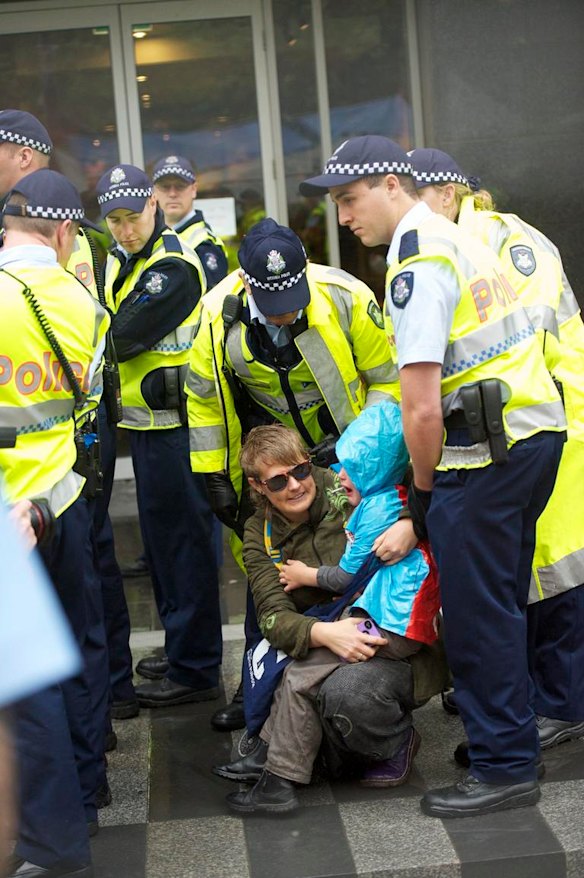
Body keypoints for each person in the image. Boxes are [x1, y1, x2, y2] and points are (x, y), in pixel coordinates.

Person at [300, 135, 566, 818]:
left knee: (477, 619)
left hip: (482, 459)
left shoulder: (416, 257)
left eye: (349, 199)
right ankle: (505, 745)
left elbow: (419, 403)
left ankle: (505, 765)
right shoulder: (458, 234)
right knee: (500, 606)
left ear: (393, 183)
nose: (344, 216)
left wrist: (421, 493)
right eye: (336, 205)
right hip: (529, 441)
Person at [185, 217, 399, 731]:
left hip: (347, 454)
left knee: (361, 552)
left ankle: (381, 661)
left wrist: (359, 452)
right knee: (266, 568)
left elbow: (388, 382)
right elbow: (205, 398)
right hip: (273, 460)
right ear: (247, 285)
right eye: (275, 307)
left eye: (295, 301)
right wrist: (215, 474)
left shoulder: (345, 296)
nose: (287, 314)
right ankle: (256, 681)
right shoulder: (216, 317)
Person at [408, 146, 584, 752]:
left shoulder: (489, 244)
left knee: (554, 573)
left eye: (417, 195)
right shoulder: (480, 238)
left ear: (449, 194)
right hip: (534, 417)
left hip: (538, 419)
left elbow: (516, 336)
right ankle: (521, 695)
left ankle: (558, 705)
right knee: (526, 573)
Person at [213, 421, 446, 814]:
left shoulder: (347, 482)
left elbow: (418, 478)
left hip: (400, 634)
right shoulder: (259, 532)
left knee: (343, 693)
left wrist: (412, 522)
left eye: (301, 470)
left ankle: (390, 744)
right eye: (277, 481)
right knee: (307, 676)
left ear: (309, 462)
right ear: (256, 487)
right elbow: (272, 617)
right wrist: (325, 632)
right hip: (348, 630)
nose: (295, 485)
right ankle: (287, 770)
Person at [0, 108, 137, 728]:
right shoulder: (60, 254)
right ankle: (92, 745)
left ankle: (94, 722)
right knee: (77, 611)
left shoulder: (59, 237)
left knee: (63, 617)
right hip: (62, 468)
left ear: (24, 156)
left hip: (48, 470)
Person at [0, 168, 111, 875]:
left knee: (25, 678)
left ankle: (53, 843)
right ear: (65, 232)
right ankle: (87, 787)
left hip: (11, 512)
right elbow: (87, 408)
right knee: (80, 647)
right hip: (64, 498)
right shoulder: (85, 303)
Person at [96, 163, 222, 708]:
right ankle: (182, 649)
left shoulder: (170, 268)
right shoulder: (130, 261)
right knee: (165, 551)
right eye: (114, 221)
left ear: (154, 205)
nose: (125, 229)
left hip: (179, 431)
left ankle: (195, 670)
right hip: (150, 432)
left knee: (183, 549)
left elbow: (118, 336)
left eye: (132, 216)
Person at [122, 155, 230, 589]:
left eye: (178, 187)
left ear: (193, 190)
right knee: (171, 535)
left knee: (192, 533)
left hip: (186, 407)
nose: (171, 194)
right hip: (150, 413)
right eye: (163, 187)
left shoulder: (199, 250)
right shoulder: (138, 249)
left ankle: (196, 650)